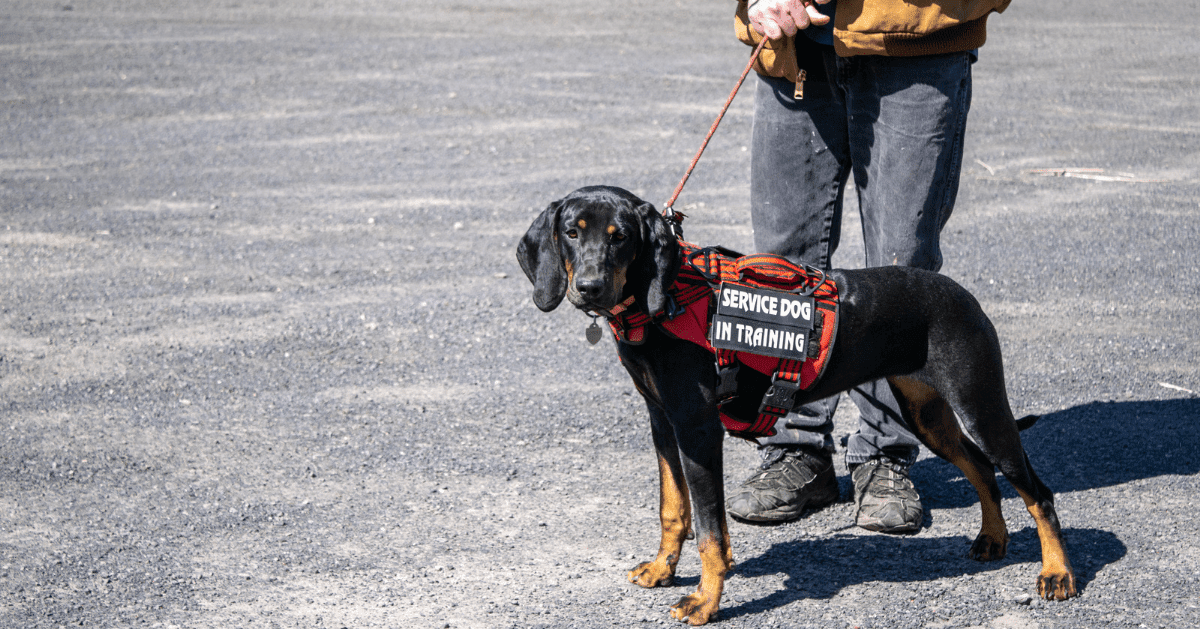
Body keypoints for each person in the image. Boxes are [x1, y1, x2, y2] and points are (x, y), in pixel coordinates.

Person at [724, 0, 1011, 533]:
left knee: (902, 267)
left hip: (915, 39)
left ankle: (886, 455)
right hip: (796, 49)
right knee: (779, 270)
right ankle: (796, 449)